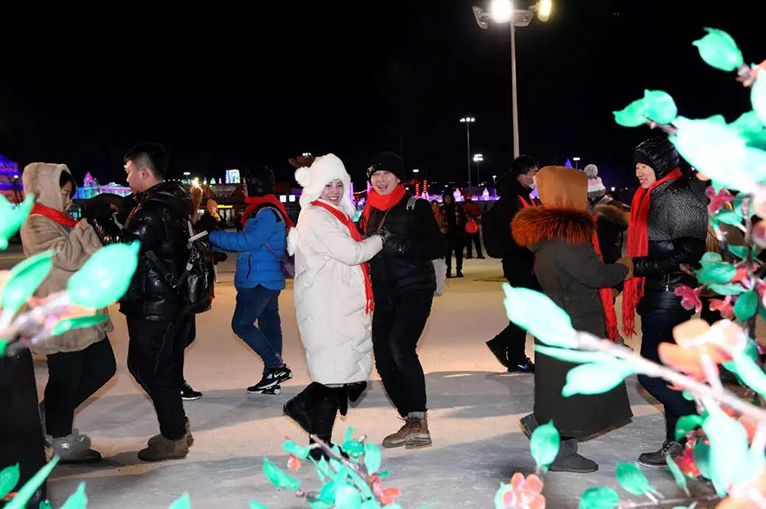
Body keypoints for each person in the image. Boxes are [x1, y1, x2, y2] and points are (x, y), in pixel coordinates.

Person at [512, 166, 633, 472]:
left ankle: (547, 432)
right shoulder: (568, 235)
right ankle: (559, 452)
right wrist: (625, 267)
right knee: (572, 385)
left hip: (558, 313)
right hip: (574, 317)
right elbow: (594, 274)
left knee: (560, 382)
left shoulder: (547, 232)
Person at [283, 154, 386, 458]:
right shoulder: (318, 216)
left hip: (335, 302)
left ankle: (318, 442)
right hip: (327, 306)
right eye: (328, 185)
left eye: (339, 184)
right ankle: (308, 419)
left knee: (336, 375)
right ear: (316, 186)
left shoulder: (334, 214)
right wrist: (380, 239)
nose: (334, 191)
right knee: (334, 378)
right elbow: (352, 253)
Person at [18, 163, 115, 464]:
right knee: (66, 377)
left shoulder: (60, 220)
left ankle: (48, 417)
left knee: (103, 367)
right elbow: (69, 257)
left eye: (70, 193)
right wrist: (86, 224)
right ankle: (60, 439)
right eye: (63, 193)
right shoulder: (35, 223)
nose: (68, 199)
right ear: (44, 190)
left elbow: (91, 256)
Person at [623, 137, 707, 467]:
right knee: (669, 375)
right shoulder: (658, 195)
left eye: (644, 165)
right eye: (636, 165)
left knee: (651, 375)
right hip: (661, 292)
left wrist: (639, 267)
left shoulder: (679, 195)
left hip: (671, 295)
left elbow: (690, 252)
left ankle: (706, 426)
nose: (638, 171)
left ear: (659, 164)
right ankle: (677, 443)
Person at [359, 151, 447, 449]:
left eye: (387, 174)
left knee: (400, 346)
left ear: (398, 178)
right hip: (385, 294)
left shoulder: (415, 206)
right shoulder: (369, 211)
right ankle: (410, 419)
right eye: (375, 175)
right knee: (383, 358)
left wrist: (397, 245)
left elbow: (437, 245)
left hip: (414, 289)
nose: (380, 179)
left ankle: (418, 420)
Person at [119, 143, 195, 461]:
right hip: (167, 299)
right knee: (153, 366)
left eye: (128, 172)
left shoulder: (151, 210)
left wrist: (104, 225)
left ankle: (174, 437)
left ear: (144, 172)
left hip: (155, 303)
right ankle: (176, 426)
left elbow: (124, 253)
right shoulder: (172, 203)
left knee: (151, 368)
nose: (126, 179)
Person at [208, 166, 293, 395]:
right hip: (264, 278)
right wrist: (216, 244)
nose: (243, 189)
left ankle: (276, 366)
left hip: (258, 280)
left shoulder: (266, 212)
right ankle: (271, 377)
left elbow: (248, 241)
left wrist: (212, 235)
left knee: (241, 324)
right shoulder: (265, 209)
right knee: (269, 326)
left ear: (257, 185)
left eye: (245, 184)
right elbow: (248, 243)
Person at [484, 155, 540, 373]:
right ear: (521, 176)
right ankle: (513, 354)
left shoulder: (524, 197)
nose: (537, 177)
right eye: (534, 173)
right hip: (518, 263)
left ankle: (507, 348)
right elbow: (515, 235)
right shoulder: (511, 201)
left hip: (527, 262)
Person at [440, 191, 467, 278]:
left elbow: (463, 219)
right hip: (447, 235)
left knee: (459, 254)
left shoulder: (458, 207)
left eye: (449, 197)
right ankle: (448, 271)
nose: (448, 199)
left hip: (457, 234)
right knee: (448, 254)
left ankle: (459, 270)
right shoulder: (442, 209)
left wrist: (461, 230)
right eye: (446, 198)